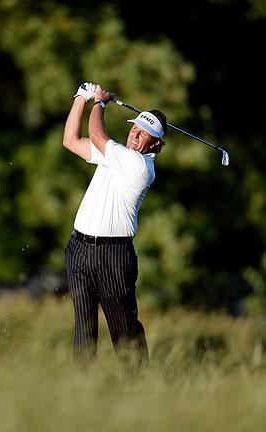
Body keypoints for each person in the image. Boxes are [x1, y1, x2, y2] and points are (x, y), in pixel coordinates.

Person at [63, 82, 167, 372]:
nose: (135, 132)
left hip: (113, 256)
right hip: (79, 250)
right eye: (134, 127)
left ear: (155, 144)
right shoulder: (115, 155)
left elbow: (96, 134)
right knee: (83, 330)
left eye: (143, 132)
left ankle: (138, 390)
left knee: (124, 333)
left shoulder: (139, 166)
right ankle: (81, 390)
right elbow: (71, 140)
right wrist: (81, 98)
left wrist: (101, 102)